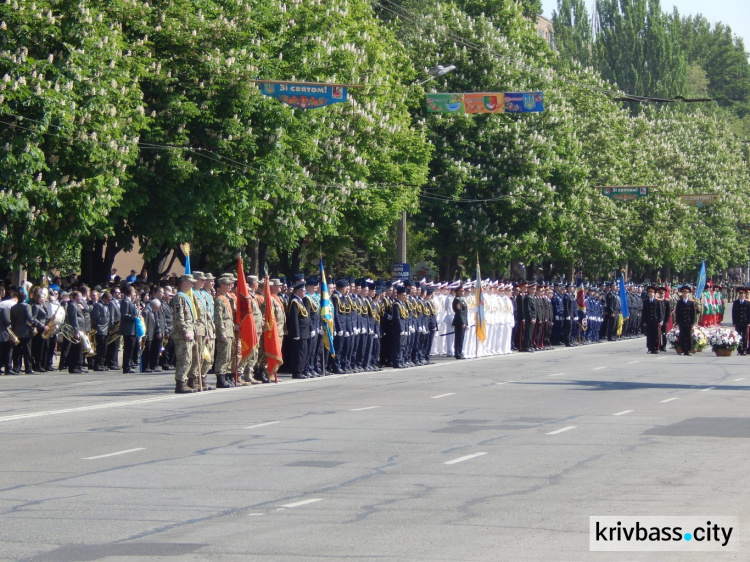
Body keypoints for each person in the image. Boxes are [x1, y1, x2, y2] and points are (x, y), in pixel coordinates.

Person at [213, 275, 236, 388]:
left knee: (228, 355)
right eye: (227, 284)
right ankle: (220, 378)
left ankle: (226, 376)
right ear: (221, 286)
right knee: (223, 355)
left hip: (229, 330)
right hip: (224, 331)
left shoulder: (227, 298)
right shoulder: (219, 299)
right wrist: (221, 332)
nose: (229, 286)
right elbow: (218, 317)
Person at [286, 281, 311, 379]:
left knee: (304, 352)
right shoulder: (294, 302)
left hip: (304, 332)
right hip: (299, 332)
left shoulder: (301, 301)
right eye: (303, 290)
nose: (305, 292)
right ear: (297, 291)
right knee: (299, 353)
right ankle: (297, 372)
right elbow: (294, 319)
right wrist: (296, 333)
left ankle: (301, 369)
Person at [120, 286, 139, 374]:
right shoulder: (125, 301)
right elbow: (124, 315)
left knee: (131, 348)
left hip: (132, 329)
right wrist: (134, 317)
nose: (134, 294)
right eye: (133, 292)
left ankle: (129, 364)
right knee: (128, 348)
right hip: (128, 329)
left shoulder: (130, 302)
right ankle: (126, 366)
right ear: (130, 292)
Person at [674, 285, 696, 356]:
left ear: (688, 294)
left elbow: (693, 314)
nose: (685, 294)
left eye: (686, 293)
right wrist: (677, 322)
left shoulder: (691, 303)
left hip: (689, 322)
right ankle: (683, 350)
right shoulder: (679, 302)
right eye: (683, 293)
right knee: (682, 336)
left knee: (689, 336)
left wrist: (692, 322)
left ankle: (689, 350)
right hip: (681, 322)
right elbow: (677, 313)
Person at [642, 286, 664, 354]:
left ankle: (655, 348)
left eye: (652, 292)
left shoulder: (657, 301)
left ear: (654, 293)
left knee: (655, 335)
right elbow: (644, 312)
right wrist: (644, 321)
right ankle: (649, 348)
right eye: (649, 292)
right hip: (648, 321)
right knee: (649, 335)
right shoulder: (645, 301)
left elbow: (660, 312)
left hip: (655, 320)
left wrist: (661, 320)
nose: (650, 293)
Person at [452, 285, 468, 359]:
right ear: (458, 291)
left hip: (463, 321)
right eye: (462, 291)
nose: (463, 292)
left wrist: (466, 322)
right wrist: (462, 322)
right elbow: (459, 312)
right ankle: (458, 353)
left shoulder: (462, 300)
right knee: (458, 338)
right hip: (459, 322)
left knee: (461, 338)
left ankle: (460, 352)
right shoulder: (457, 300)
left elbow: (465, 312)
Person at [732, 288, 750, 355]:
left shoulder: (748, 303)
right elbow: (733, 313)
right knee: (738, 336)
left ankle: (744, 349)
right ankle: (739, 350)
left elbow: (749, 313)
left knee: (744, 337)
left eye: (742, 294)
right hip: (738, 322)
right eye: (740, 294)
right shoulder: (736, 303)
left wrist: (749, 322)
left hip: (745, 322)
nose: (741, 295)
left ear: (744, 295)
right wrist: (734, 322)